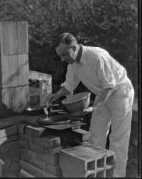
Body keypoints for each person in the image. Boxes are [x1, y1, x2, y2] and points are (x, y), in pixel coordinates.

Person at [45, 32, 134, 177]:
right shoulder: (72, 63)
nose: (62, 59)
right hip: (102, 95)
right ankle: (97, 173)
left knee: (118, 139)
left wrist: (94, 107)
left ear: (73, 47)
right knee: (96, 136)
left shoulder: (96, 57)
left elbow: (109, 86)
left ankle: (117, 175)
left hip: (121, 93)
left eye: (64, 55)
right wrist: (55, 95)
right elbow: (69, 85)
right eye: (60, 56)